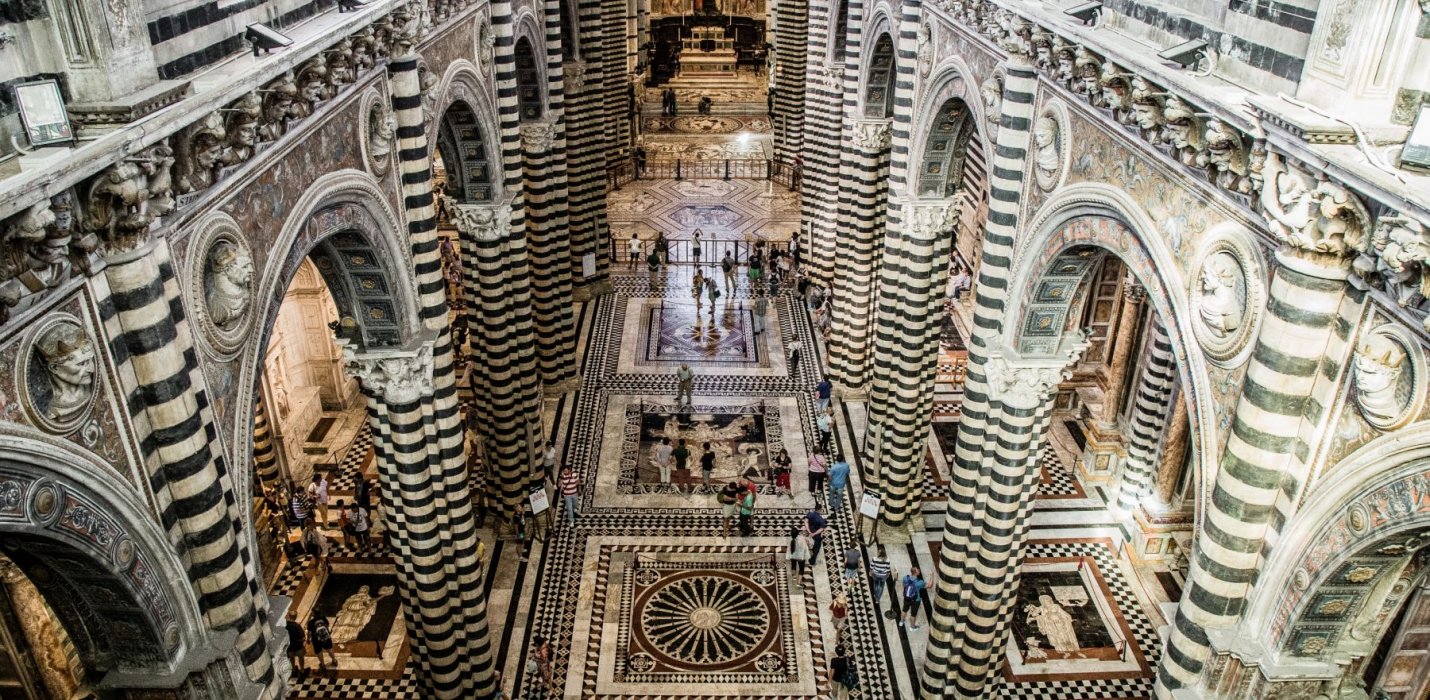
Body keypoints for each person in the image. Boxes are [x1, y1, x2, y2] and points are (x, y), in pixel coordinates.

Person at [869, 544, 892, 612]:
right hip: (883, 575)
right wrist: (888, 575)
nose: (877, 552)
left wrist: (870, 572)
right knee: (881, 587)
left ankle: (876, 595)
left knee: (875, 584)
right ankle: (877, 599)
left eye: (878, 552)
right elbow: (888, 569)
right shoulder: (887, 560)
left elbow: (872, 567)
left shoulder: (874, 559)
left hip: (875, 574)